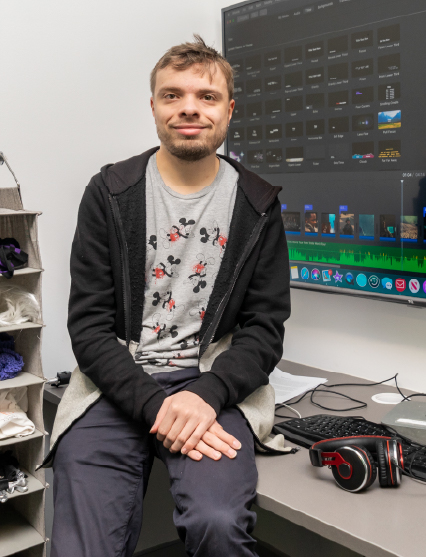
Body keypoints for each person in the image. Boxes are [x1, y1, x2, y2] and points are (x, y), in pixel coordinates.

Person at [44, 35, 291, 557]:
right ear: (154, 107)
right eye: (172, 95)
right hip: (116, 380)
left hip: (211, 382)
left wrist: (206, 395)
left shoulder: (258, 204)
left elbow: (264, 329)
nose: (189, 108)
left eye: (206, 96)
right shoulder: (109, 192)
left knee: (219, 524)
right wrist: (159, 406)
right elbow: (88, 326)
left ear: (228, 110)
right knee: (83, 546)